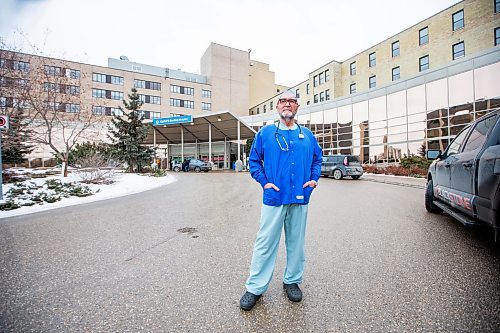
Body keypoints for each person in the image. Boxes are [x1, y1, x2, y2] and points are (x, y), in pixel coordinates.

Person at [240, 90, 323, 311]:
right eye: (283, 101)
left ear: (297, 107)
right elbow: (254, 161)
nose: (287, 105)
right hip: (274, 197)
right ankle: (255, 287)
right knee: (265, 243)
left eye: (292, 101)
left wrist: (314, 180)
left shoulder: (307, 135)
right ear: (277, 107)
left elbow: (317, 159)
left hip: (300, 198)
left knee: (296, 243)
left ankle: (292, 281)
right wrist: (265, 183)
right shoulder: (266, 134)